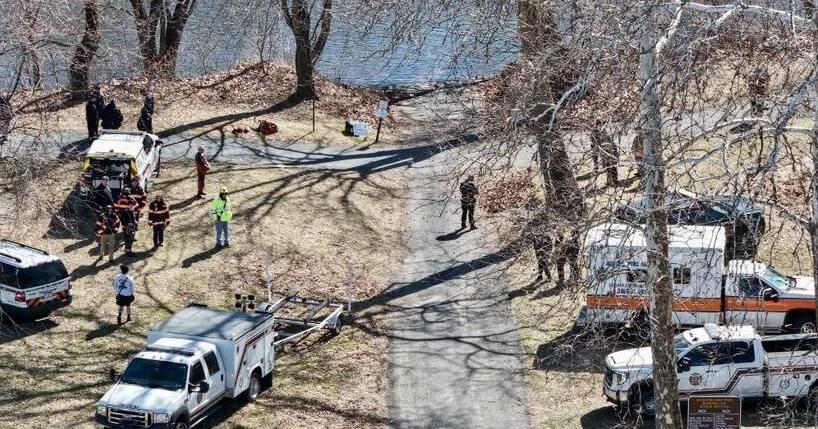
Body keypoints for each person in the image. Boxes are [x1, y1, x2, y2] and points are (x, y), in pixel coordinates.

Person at [115, 188, 138, 256]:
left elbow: (115, 208)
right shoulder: (130, 200)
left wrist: (119, 216)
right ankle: (128, 252)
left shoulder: (119, 198)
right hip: (128, 224)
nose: (131, 206)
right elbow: (136, 205)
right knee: (129, 237)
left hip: (123, 221)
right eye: (131, 205)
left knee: (127, 235)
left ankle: (128, 250)